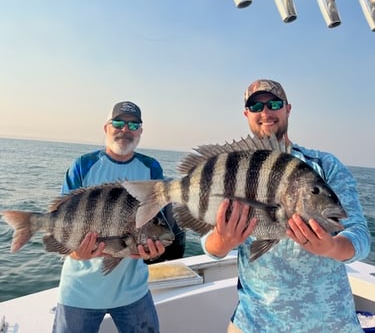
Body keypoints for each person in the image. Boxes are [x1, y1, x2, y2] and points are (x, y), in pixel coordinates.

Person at [202, 79, 371, 332]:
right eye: (256, 106)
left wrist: (332, 246)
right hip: (254, 323)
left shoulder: (325, 165)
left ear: (288, 109)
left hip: (329, 324)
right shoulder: (231, 169)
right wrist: (222, 241)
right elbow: (210, 247)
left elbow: (360, 236)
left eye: (274, 104)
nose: (266, 112)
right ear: (246, 114)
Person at [52, 100, 185, 333]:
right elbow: (62, 217)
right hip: (79, 291)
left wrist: (156, 252)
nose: (125, 129)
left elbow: (160, 220)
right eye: (119, 123)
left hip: (133, 292)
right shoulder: (83, 165)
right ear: (106, 128)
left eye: (133, 125)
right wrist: (74, 251)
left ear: (141, 132)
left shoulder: (151, 169)